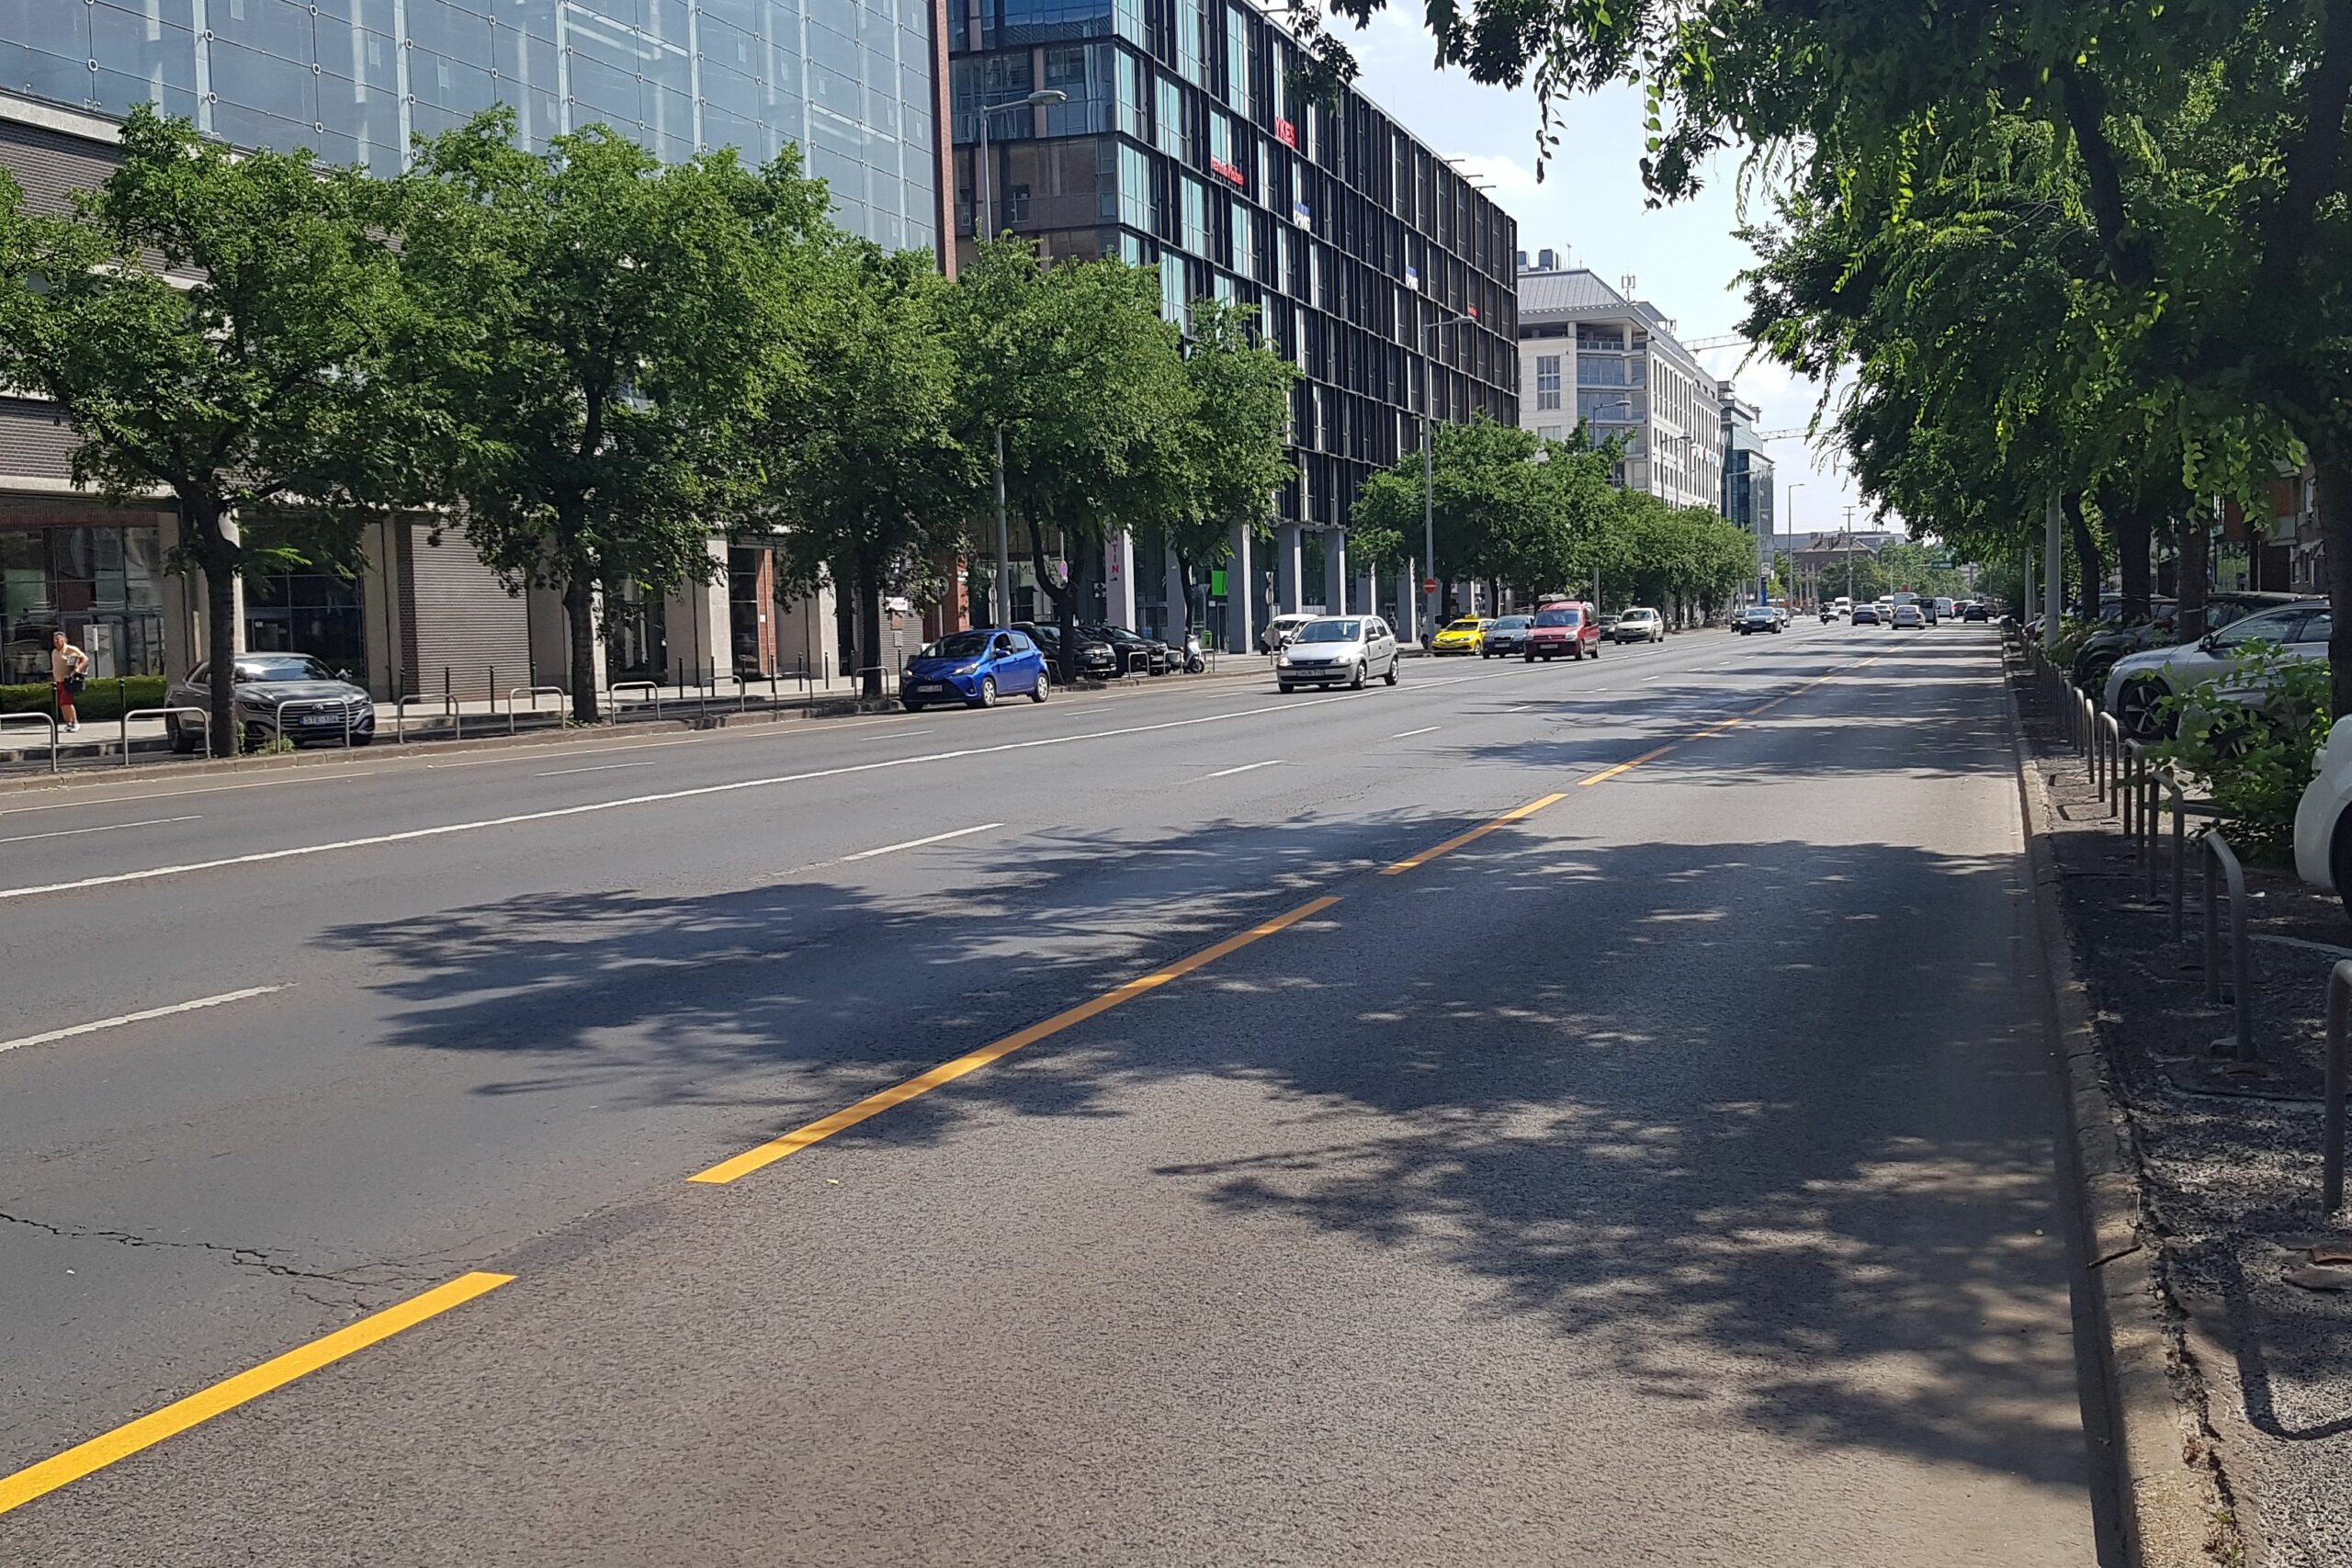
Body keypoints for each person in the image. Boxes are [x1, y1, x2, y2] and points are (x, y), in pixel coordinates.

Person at [51, 630, 88, 732]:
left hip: (68, 680)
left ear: (64, 639)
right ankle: (68, 723)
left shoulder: (71, 649)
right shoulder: (54, 652)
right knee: (61, 704)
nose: (56, 641)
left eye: (58, 639)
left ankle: (75, 722)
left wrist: (78, 669)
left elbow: (85, 659)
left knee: (66, 702)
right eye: (54, 640)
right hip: (58, 681)